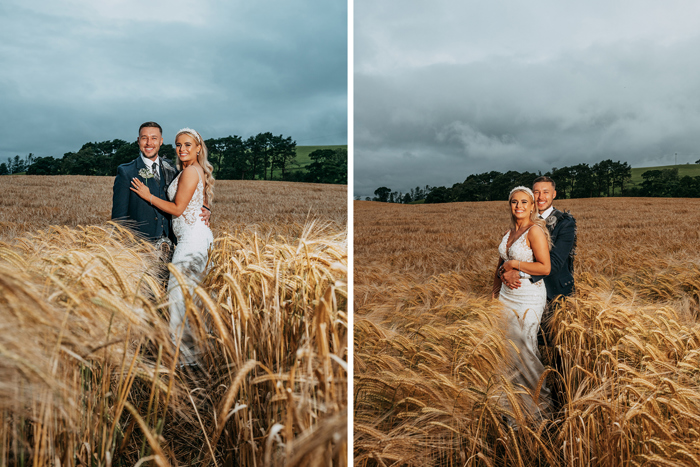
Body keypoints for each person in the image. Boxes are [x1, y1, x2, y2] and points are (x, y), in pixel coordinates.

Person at [130, 127, 215, 366]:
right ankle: (191, 356)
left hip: (192, 241)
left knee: (179, 296)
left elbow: (177, 209)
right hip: (193, 238)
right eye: (178, 145)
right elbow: (201, 202)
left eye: (188, 145)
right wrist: (207, 210)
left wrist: (148, 196)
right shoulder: (189, 171)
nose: (182, 149)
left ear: (198, 148)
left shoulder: (190, 172)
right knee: (187, 297)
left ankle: (185, 361)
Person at [492, 186, 552, 419]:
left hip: (528, 295)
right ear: (510, 205)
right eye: (514, 202)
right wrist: (495, 290)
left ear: (532, 206)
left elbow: (544, 267)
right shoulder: (508, 233)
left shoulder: (534, 231)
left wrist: (512, 266)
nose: (519, 206)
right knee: (507, 349)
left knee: (525, 347)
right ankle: (513, 406)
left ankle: (540, 406)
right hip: (506, 296)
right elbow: (499, 265)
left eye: (524, 202)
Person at [111, 121, 211, 252]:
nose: (149, 143)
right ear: (138, 141)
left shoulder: (174, 170)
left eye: (154, 138)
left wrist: (205, 211)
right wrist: (118, 250)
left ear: (161, 141)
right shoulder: (126, 172)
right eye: (144, 138)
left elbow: (193, 196)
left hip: (172, 248)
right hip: (140, 250)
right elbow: (119, 218)